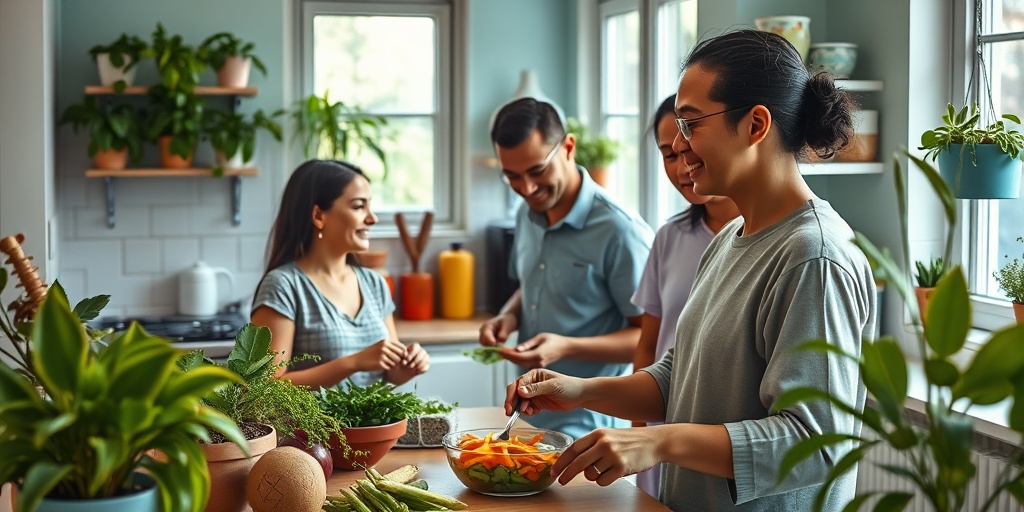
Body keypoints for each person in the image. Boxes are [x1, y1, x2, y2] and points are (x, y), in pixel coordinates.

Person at [504, 29, 877, 511]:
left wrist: (659, 443)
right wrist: (580, 391)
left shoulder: (814, 257)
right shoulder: (730, 239)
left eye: (691, 124)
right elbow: (678, 378)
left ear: (756, 125)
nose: (679, 148)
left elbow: (815, 444)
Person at [479, 98, 654, 439]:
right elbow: (532, 282)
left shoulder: (620, 230)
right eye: (512, 176)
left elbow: (649, 339)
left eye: (537, 170)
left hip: (591, 429)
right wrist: (508, 316)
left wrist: (566, 346)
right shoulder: (525, 212)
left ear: (569, 147)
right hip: (524, 420)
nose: (526, 188)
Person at [631, 94, 741, 498]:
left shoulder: (796, 249)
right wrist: (640, 432)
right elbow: (652, 347)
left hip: (717, 448)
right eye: (667, 153)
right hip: (662, 432)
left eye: (688, 141)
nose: (680, 163)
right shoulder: (672, 238)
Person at [251, 159, 430, 389]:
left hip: (372, 425)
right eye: (358, 206)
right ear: (318, 216)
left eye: (370, 205)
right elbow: (266, 387)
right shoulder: (283, 286)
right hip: (311, 426)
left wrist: (406, 366)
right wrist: (352, 362)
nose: (372, 218)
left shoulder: (374, 283)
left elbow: (386, 375)